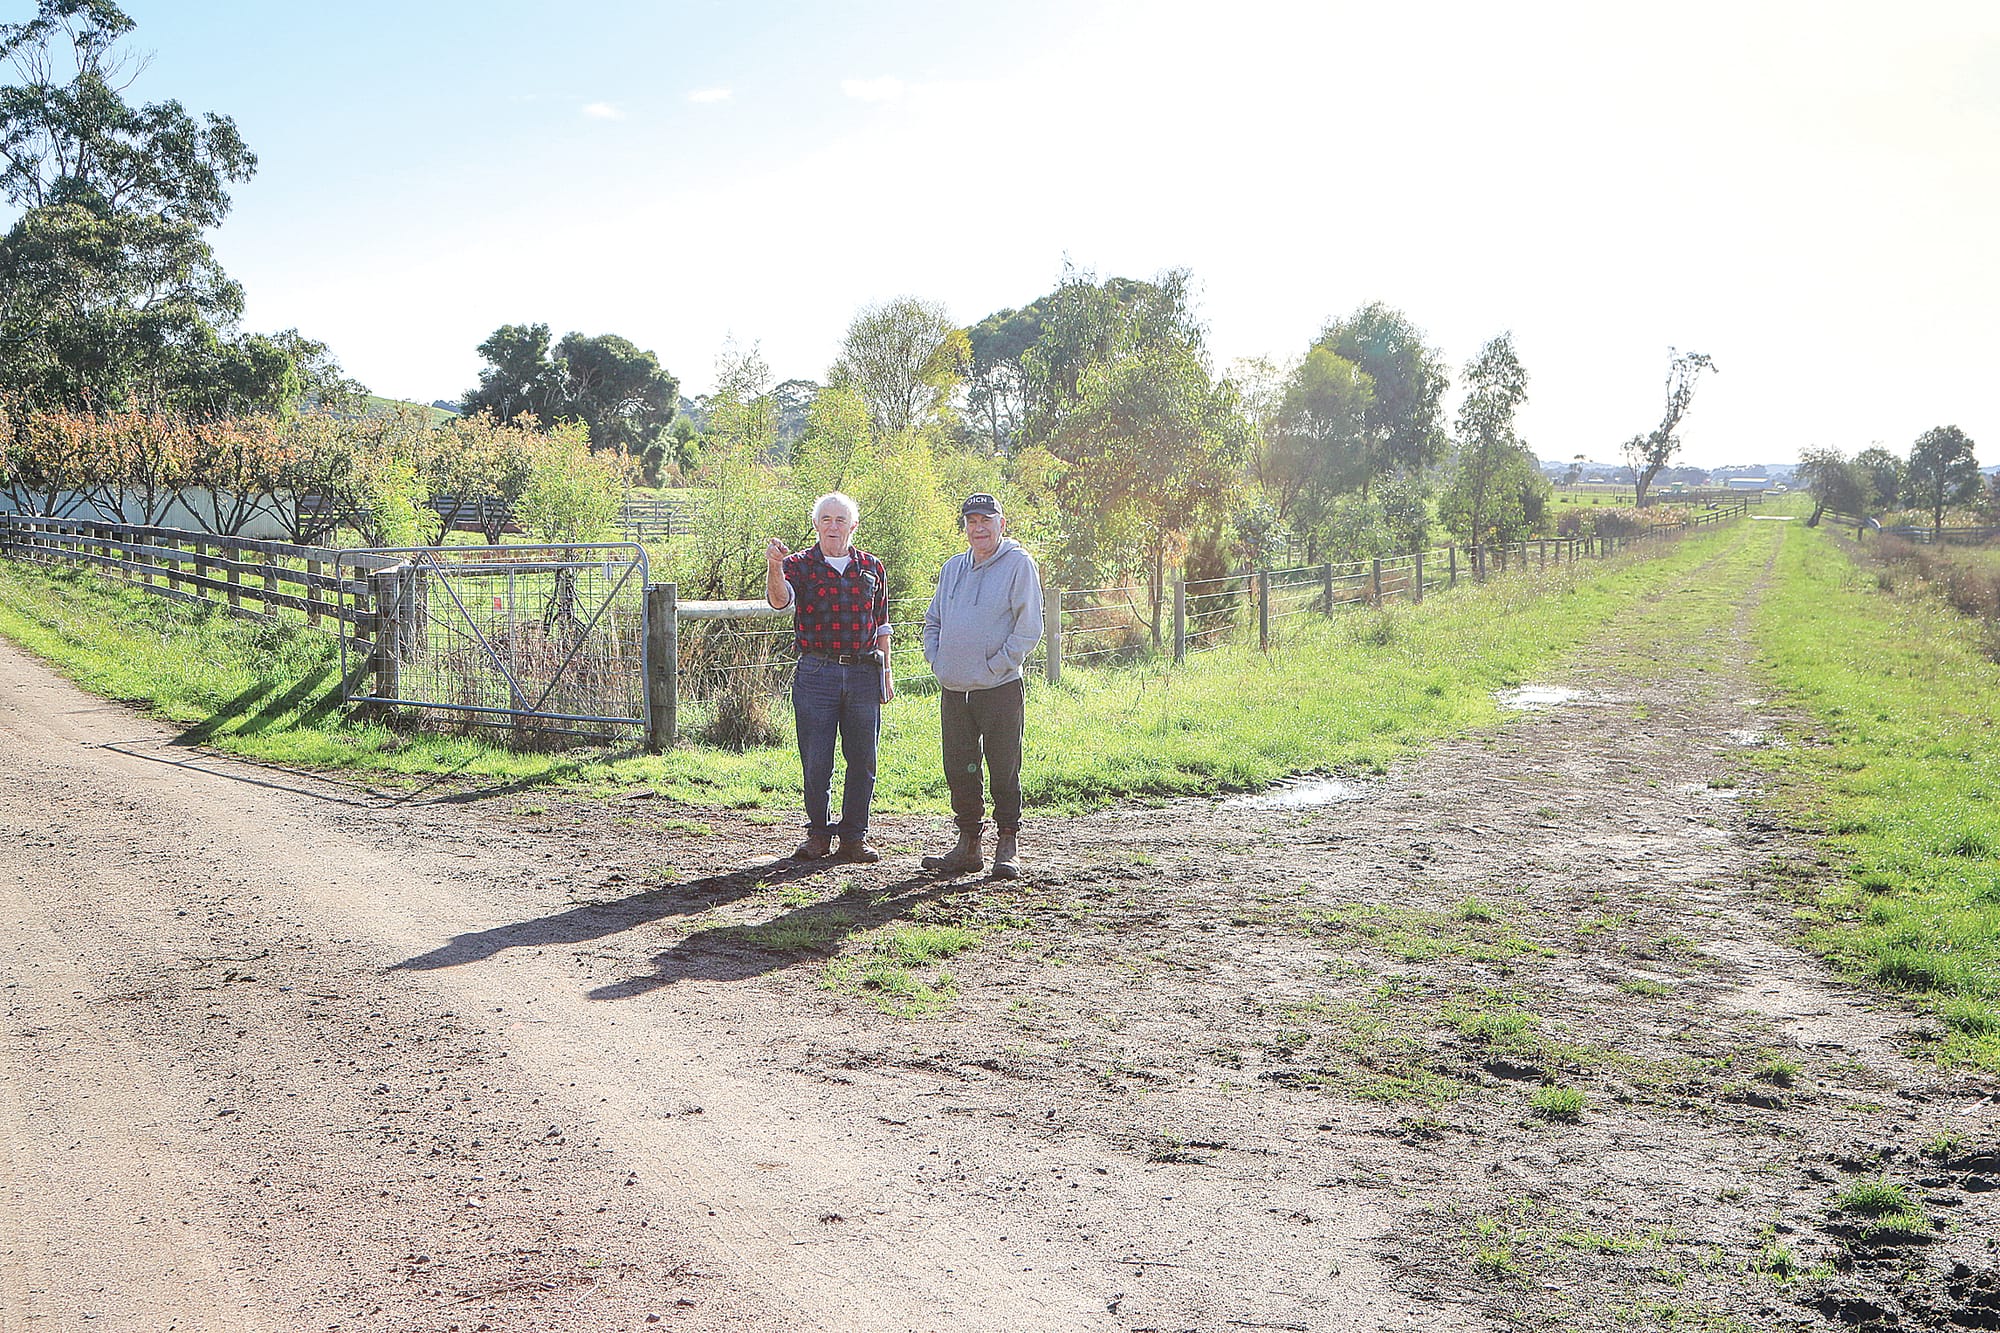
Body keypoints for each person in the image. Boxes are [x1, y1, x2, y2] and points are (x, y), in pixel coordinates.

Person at [920, 493, 1042, 878]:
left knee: (1004, 766)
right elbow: (933, 620)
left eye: (986, 521)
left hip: (999, 688)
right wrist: (937, 661)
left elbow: (1029, 628)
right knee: (959, 768)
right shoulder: (952, 568)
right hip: (955, 689)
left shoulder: (1019, 565)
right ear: (966, 527)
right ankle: (968, 844)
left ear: (1001, 524)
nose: (979, 528)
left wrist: (997, 665)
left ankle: (1007, 842)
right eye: (972, 521)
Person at [766, 492, 893, 863]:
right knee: (817, 759)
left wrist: (886, 670)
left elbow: (882, 623)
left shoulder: (872, 568)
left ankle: (854, 837)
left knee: (863, 759)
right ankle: (818, 834)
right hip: (816, 672)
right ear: (816, 525)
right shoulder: (799, 565)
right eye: (826, 520)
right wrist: (774, 566)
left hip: (863, 672)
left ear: (853, 526)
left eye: (840, 520)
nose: (833, 527)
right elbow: (779, 601)